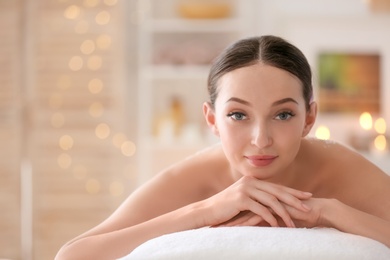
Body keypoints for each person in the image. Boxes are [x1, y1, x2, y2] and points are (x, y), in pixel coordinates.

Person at [55, 35, 390, 260]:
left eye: (283, 114)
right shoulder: (193, 179)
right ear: (212, 120)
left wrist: (328, 211)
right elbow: (72, 255)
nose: (261, 139)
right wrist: (202, 212)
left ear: (309, 118)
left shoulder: (339, 167)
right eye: (238, 115)